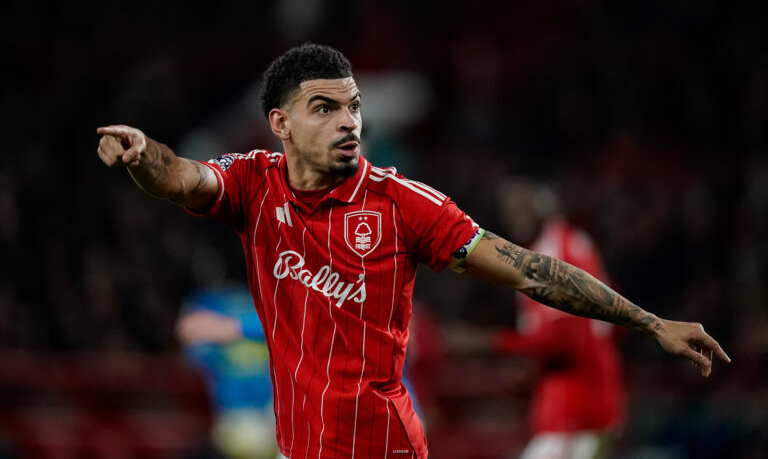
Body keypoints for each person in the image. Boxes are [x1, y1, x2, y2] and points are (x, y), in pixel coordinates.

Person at [96, 43, 729, 459]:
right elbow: (181, 177)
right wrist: (141, 155)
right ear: (280, 123)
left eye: (353, 107)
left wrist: (650, 323)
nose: (348, 121)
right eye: (325, 108)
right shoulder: (252, 184)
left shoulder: (403, 205)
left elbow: (530, 272)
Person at [450, 178, 626, 459]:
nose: (514, 214)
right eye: (510, 207)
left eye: (523, 203)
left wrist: (485, 341)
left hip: (579, 407)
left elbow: (566, 338)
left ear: (544, 202)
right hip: (568, 401)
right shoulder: (550, 247)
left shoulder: (559, 249)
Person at [176, 284, 280, 459]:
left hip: (277, 408)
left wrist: (235, 327)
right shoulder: (204, 302)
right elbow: (189, 337)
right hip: (233, 411)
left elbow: (296, 324)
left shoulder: (271, 292)